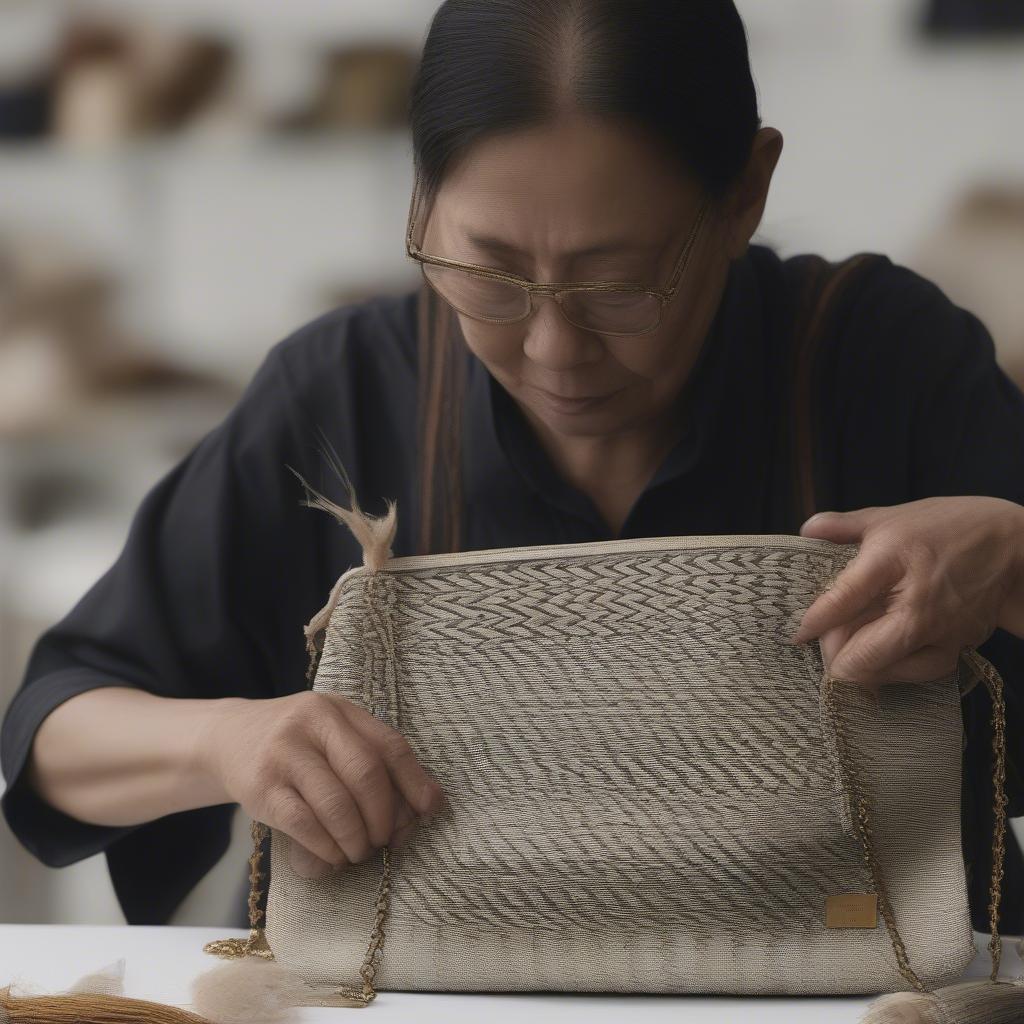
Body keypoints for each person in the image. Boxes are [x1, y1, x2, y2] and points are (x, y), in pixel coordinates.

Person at [2, 0, 1023, 937]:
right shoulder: (346, 390)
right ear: (420, 201)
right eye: (485, 271)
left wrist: (1012, 562)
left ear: (745, 193)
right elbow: (54, 730)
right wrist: (226, 743)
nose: (552, 350)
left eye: (619, 284)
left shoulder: (885, 364)